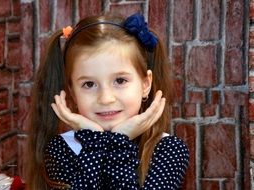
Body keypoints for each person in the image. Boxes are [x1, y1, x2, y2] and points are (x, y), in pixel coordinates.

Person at [27, 13, 189, 190]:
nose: (105, 98)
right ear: (72, 92)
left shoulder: (168, 150)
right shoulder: (61, 149)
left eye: (120, 81)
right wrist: (96, 143)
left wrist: (119, 142)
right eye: (89, 84)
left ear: (145, 84)